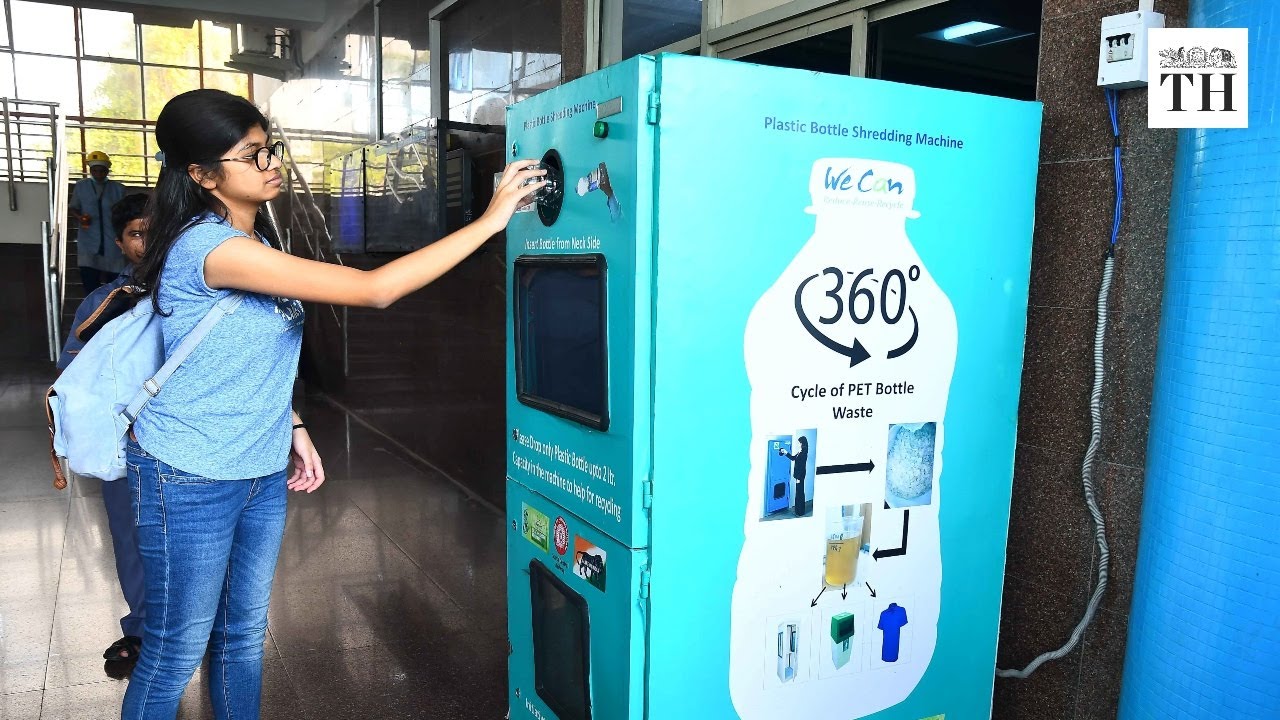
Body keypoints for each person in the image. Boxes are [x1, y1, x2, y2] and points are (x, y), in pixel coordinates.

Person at [122, 88, 544, 720]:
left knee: (241, 637)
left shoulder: (254, 241)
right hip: (188, 473)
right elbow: (374, 290)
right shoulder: (212, 248)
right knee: (175, 649)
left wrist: (292, 423)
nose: (272, 165)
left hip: (258, 465)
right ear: (202, 175)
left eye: (272, 149)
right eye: (252, 155)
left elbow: (241, 352)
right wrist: (489, 221)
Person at [55, 193, 150, 665]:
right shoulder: (103, 301)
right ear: (119, 242)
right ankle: (141, 630)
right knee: (130, 536)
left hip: (194, 442)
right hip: (128, 446)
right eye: (137, 233)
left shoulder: (199, 291)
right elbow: (73, 375)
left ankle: (204, 631)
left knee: (204, 541)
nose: (147, 242)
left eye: (157, 230)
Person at [69, 151, 129, 293]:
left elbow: (124, 212)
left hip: (112, 239)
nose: (98, 174)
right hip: (89, 239)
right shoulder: (81, 186)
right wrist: (80, 218)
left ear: (107, 171)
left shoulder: (118, 189)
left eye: (102, 171)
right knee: (90, 281)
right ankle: (93, 311)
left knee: (114, 284)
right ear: (90, 171)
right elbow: (73, 208)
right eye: (94, 170)